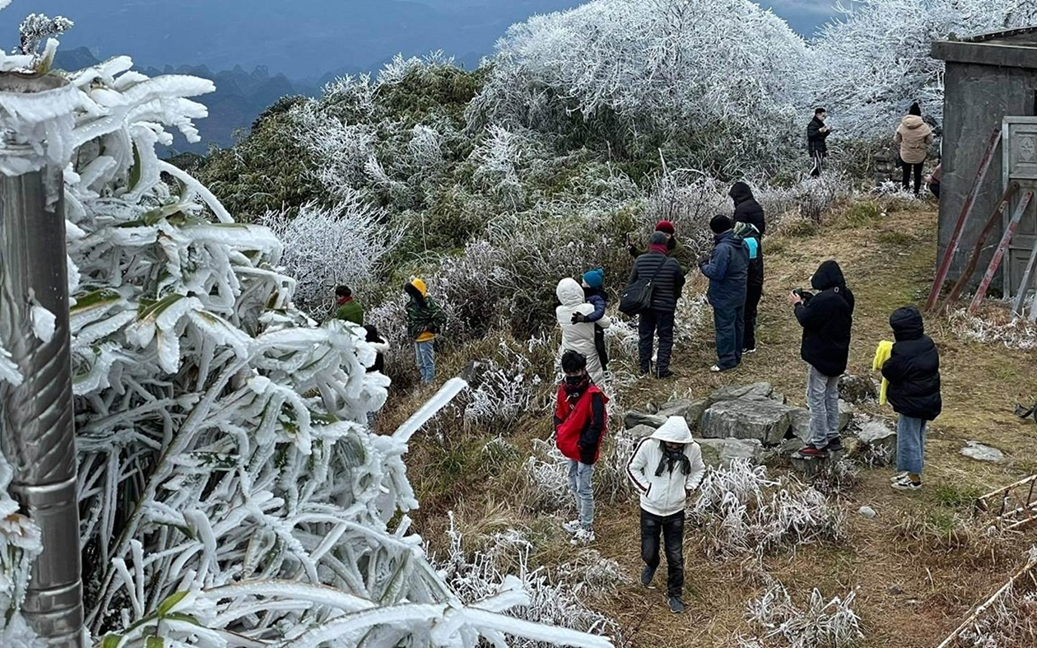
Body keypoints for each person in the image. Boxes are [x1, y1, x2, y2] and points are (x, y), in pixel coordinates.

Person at [625, 416, 705, 615]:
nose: (674, 446)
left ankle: (675, 594)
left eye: (678, 444)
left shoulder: (693, 449)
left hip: (675, 511)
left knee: (676, 556)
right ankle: (652, 564)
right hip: (650, 509)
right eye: (671, 442)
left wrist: (689, 489)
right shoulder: (648, 445)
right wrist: (647, 489)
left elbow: (699, 470)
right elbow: (632, 468)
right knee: (648, 551)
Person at [790, 260, 855, 458]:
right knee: (831, 395)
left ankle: (818, 442)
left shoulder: (825, 300)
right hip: (838, 354)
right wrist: (810, 301)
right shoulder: (845, 295)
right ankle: (832, 436)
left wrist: (797, 305)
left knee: (815, 399)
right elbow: (823, 315)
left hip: (820, 356)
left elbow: (806, 319)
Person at [879, 306, 942, 491]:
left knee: (908, 439)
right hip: (927, 399)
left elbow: (890, 371)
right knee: (918, 436)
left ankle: (913, 479)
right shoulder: (926, 342)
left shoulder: (902, 351)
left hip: (911, 403)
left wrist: (886, 358)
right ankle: (911, 473)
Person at [554, 350, 608, 545]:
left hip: (584, 448)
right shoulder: (563, 390)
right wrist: (560, 432)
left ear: (583, 370)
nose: (573, 377)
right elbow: (559, 413)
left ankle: (587, 527)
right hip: (571, 445)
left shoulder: (594, 395)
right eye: (570, 373)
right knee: (572, 481)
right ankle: (581, 520)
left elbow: (598, 424)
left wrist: (583, 443)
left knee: (584, 488)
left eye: (576, 372)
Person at [629, 232, 684, 378]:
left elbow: (631, 283)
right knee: (665, 337)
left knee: (645, 336)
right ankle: (661, 369)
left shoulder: (640, 260)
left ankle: (644, 369)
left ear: (650, 245)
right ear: (664, 246)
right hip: (665, 306)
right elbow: (680, 281)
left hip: (645, 305)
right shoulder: (672, 262)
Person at [699, 215, 749, 372]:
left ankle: (727, 360)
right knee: (738, 324)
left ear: (714, 230)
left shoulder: (722, 248)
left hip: (724, 294)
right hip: (740, 290)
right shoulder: (742, 242)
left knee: (725, 327)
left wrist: (703, 265)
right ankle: (736, 355)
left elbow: (716, 273)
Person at [556, 277, 611, 383]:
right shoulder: (588, 309)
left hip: (569, 350)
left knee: (572, 377)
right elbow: (606, 323)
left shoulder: (559, 311)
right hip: (588, 350)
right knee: (593, 377)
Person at [404, 278, 446, 384]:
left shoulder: (428, 302)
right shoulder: (414, 303)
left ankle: (429, 384)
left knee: (428, 362)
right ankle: (424, 381)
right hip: (417, 338)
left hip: (426, 338)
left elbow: (441, 316)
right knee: (420, 363)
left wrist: (428, 327)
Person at [734, 220, 763, 356]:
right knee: (748, 312)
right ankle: (746, 341)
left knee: (747, 312)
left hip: (751, 283)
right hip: (754, 281)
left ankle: (748, 344)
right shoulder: (752, 237)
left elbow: (750, 266)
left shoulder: (750, 241)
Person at [572, 268, 609, 374]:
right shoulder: (583, 294)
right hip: (587, 330)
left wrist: (585, 318)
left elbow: (599, 312)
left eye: (583, 281)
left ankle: (606, 369)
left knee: (600, 349)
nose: (581, 283)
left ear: (589, 284)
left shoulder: (597, 298)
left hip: (596, 329)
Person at [627, 220, 696, 275]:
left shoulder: (679, 249)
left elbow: (684, 268)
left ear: (671, 235)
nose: (664, 238)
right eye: (661, 234)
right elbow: (646, 256)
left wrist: (672, 269)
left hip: (670, 285)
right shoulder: (654, 244)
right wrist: (634, 250)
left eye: (667, 235)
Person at [894, 102, 934, 196]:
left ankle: (905, 192)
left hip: (905, 154)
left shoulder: (902, 126)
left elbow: (897, 139)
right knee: (917, 174)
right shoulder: (924, 127)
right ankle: (916, 192)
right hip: (919, 154)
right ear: (919, 114)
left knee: (906, 174)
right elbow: (929, 141)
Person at [807, 107, 832, 178]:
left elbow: (822, 137)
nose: (824, 118)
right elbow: (810, 135)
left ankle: (816, 178)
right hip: (815, 148)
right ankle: (809, 177)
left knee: (820, 163)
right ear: (818, 114)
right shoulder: (812, 124)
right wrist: (819, 131)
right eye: (823, 116)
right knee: (816, 164)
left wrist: (827, 131)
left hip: (821, 147)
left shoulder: (820, 124)